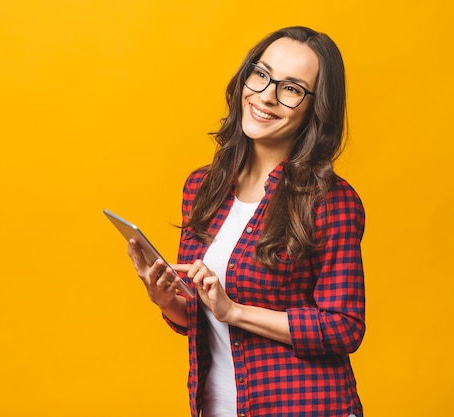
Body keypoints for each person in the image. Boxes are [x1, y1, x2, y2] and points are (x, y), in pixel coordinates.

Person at [126, 26, 366, 417]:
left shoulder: (330, 201)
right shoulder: (203, 187)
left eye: (291, 88)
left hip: (305, 407)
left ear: (314, 107)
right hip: (218, 405)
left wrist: (234, 310)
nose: (266, 95)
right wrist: (165, 297)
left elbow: (344, 327)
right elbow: (198, 317)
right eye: (261, 74)